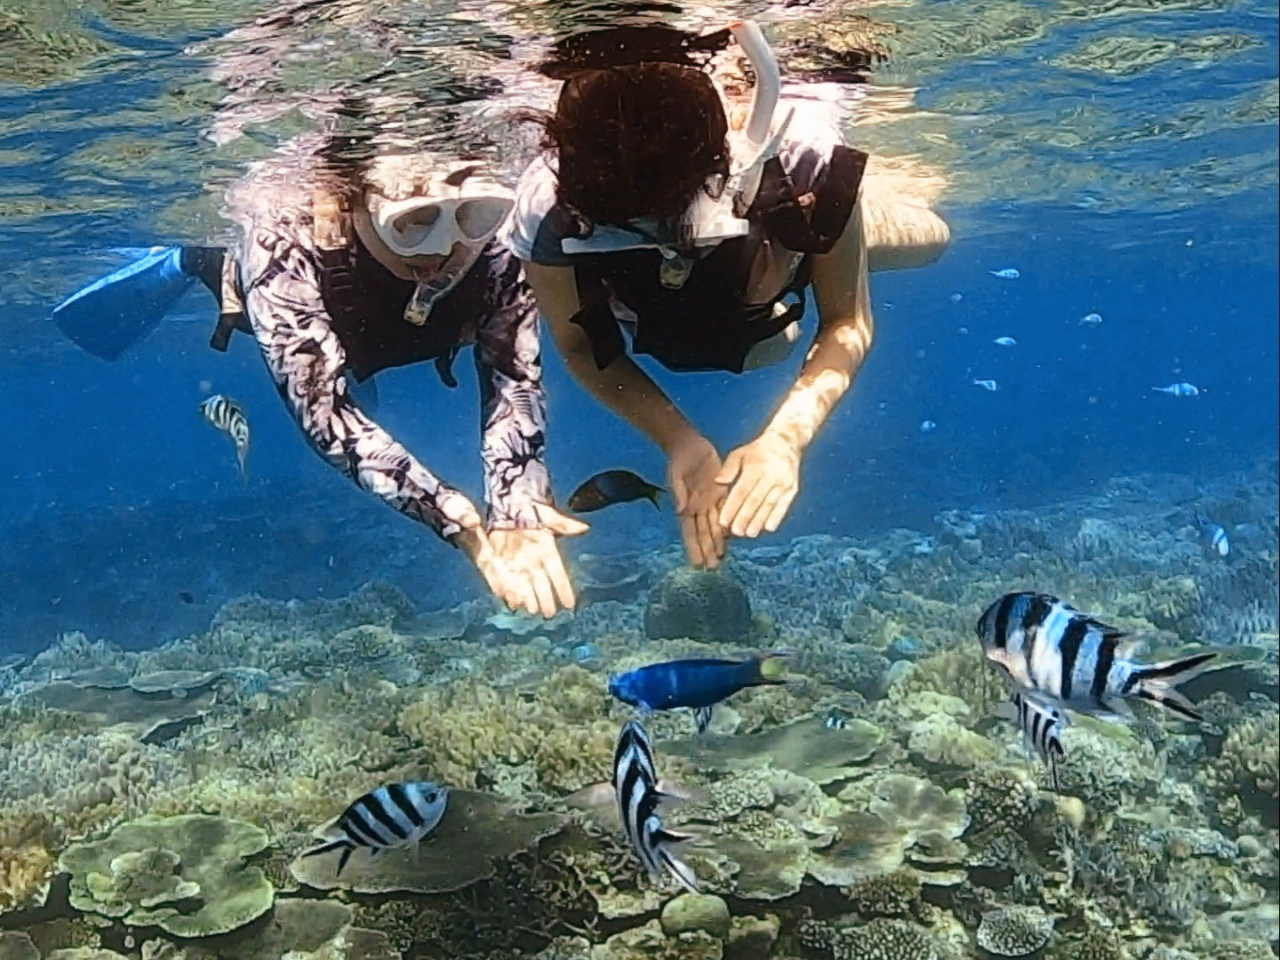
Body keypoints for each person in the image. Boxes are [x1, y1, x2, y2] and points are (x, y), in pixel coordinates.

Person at [52, 131, 585, 617]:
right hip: (309, 311)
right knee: (244, 295)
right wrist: (452, 517)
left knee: (369, 374)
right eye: (414, 220)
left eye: (474, 214)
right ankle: (185, 261)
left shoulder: (498, 247)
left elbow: (514, 378)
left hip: (408, 333)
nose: (444, 248)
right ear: (351, 205)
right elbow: (324, 412)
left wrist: (517, 503)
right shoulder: (282, 245)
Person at [503, 22, 949, 569]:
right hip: (665, 313)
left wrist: (787, 437)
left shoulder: (803, 157)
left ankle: (852, 229)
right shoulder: (546, 207)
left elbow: (845, 322)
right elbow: (578, 347)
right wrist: (678, 440)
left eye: (678, 221)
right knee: (739, 344)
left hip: (775, 258)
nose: (665, 239)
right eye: (630, 226)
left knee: (932, 240)